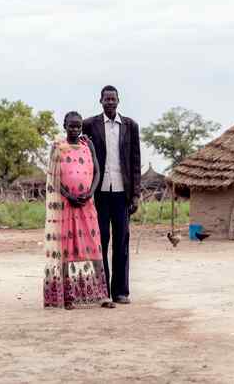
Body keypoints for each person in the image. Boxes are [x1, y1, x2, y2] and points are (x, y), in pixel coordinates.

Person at [43, 111, 114, 310]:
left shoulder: (87, 145)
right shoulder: (57, 147)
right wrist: (70, 195)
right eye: (71, 126)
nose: (75, 129)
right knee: (69, 249)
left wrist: (90, 192)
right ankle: (69, 297)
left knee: (93, 246)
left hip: (87, 205)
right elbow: (53, 177)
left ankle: (101, 295)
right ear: (64, 126)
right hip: (66, 206)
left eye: (78, 126)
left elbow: (98, 171)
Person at [83, 86, 141, 304]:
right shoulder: (90, 124)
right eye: (106, 99)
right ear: (100, 101)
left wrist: (135, 196)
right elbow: (83, 155)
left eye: (113, 99)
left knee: (121, 243)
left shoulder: (130, 126)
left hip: (122, 194)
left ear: (118, 100)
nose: (109, 102)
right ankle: (102, 290)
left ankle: (121, 291)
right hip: (98, 193)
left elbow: (135, 162)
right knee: (101, 242)